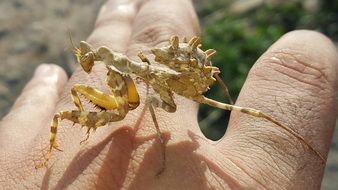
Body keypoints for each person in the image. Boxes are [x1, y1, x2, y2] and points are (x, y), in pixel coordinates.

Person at [0, 0, 337, 189]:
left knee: (256, 113)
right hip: (164, 82)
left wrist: (161, 151)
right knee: (130, 99)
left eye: (88, 58)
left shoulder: (140, 70)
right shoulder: (134, 68)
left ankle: (302, 142)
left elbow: (150, 104)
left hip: (185, 86)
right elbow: (130, 102)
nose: (88, 65)